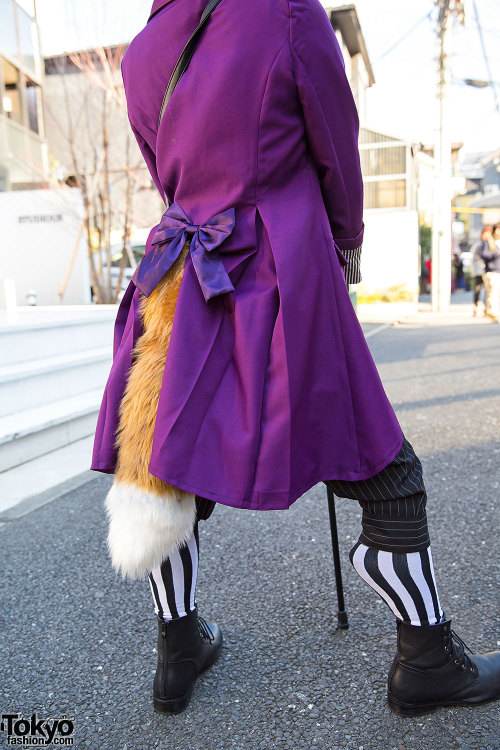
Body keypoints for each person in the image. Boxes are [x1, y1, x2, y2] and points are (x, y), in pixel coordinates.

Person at [90, 0, 500, 718]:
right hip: (282, 265)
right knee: (381, 466)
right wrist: (346, 234)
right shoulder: (284, 10)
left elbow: (169, 175)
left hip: (182, 271)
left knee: (164, 468)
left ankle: (179, 647)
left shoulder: (142, 50)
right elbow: (336, 142)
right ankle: (428, 659)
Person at [480, 223, 500, 322]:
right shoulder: (488, 242)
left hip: (498, 271)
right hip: (492, 271)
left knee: (494, 294)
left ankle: (490, 311)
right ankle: (493, 313)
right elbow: (484, 255)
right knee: (493, 293)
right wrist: (496, 254)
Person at [470, 226, 490, 316]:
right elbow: (473, 258)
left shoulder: (491, 244)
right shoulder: (478, 244)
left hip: (488, 271)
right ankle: (476, 306)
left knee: (488, 290)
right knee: (477, 289)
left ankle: (487, 308)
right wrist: (473, 271)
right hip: (478, 271)